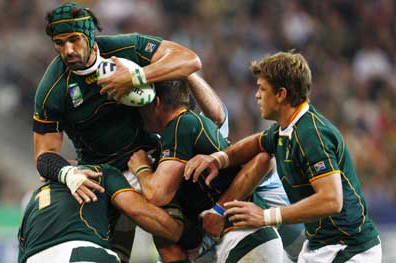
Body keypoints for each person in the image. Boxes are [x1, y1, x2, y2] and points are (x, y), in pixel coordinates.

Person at [33, 2, 201, 261]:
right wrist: (67, 174)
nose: (67, 50)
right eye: (59, 43)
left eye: (74, 39)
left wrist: (137, 76)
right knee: (114, 256)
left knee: (172, 247)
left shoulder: (126, 47)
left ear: (89, 35)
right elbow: (44, 156)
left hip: (151, 160)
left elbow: (190, 60)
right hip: (103, 176)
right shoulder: (52, 88)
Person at [184, 51, 382, 262]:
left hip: (349, 250)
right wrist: (218, 159)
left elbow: (332, 200)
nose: (257, 95)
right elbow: (256, 143)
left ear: (281, 94)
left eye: (262, 88)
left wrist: (266, 217)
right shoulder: (285, 130)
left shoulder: (311, 135)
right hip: (320, 247)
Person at [127, 78, 283, 263]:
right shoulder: (181, 145)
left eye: (142, 106)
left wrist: (141, 168)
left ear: (156, 103)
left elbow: (156, 194)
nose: (140, 112)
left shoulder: (181, 125)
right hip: (237, 242)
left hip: (248, 236)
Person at [18, 164, 200, 263]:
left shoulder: (35, 198)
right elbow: (137, 211)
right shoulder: (101, 172)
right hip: (80, 254)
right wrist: (186, 234)